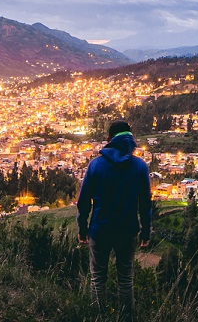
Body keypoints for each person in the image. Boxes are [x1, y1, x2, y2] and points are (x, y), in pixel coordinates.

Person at [77, 120, 152, 321]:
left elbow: (84, 201)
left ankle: (96, 317)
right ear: (130, 140)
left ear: (109, 140)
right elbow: (145, 203)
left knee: (97, 279)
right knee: (125, 279)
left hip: (99, 229)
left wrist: (82, 228)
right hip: (127, 230)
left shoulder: (95, 165)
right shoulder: (139, 167)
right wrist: (146, 231)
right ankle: (126, 318)